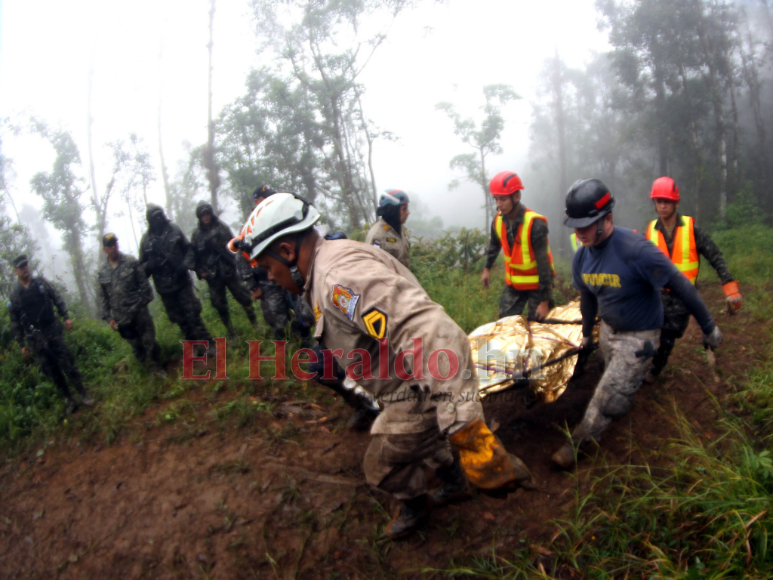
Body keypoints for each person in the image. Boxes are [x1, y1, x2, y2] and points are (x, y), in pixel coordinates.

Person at [239, 192, 535, 539]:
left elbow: (431, 331)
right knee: (425, 441)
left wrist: (466, 430)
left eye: (267, 268)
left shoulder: (338, 279)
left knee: (378, 466)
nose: (270, 278)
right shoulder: (329, 264)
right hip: (411, 382)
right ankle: (453, 480)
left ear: (287, 251)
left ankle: (416, 504)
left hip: (416, 391)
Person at [552, 179, 723, 469]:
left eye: (586, 224)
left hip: (639, 338)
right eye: (575, 225)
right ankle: (622, 392)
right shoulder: (582, 257)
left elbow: (681, 285)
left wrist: (708, 326)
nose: (579, 232)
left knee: (608, 398)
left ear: (607, 218)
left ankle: (576, 445)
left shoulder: (636, 250)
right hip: (608, 330)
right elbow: (589, 299)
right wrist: (586, 335)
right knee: (612, 378)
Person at [644, 176, 742, 382]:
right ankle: (643, 365)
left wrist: (730, 287)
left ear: (676, 202)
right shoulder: (651, 230)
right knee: (649, 333)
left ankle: (655, 369)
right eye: (658, 201)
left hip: (683, 297)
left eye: (667, 201)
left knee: (669, 335)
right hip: (656, 295)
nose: (662, 205)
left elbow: (715, 256)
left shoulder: (691, 229)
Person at [8, 255, 94, 415]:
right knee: (51, 369)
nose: (25, 268)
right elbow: (15, 322)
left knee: (67, 361)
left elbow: (57, 298)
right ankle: (69, 400)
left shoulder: (41, 283)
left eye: (26, 265)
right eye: (21, 267)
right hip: (35, 338)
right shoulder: (15, 295)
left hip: (52, 329)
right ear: (15, 271)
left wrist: (66, 316)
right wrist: (22, 344)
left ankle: (83, 394)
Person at [235, 184, 312, 345]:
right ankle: (282, 355)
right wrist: (253, 286)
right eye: (266, 198)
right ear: (257, 202)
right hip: (267, 283)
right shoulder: (250, 227)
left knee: (303, 313)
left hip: (290, 275)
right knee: (278, 321)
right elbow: (241, 258)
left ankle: (307, 348)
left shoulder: (280, 219)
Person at [481, 171, 555, 321]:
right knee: (506, 324)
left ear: (516, 197)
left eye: (502, 199)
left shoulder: (535, 225)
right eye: (496, 199)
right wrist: (487, 269)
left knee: (540, 328)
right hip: (514, 285)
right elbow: (495, 245)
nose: (498, 204)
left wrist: (544, 301)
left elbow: (544, 265)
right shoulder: (498, 220)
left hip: (538, 287)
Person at [139, 204, 213, 348]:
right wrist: (149, 265)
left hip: (182, 282)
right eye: (155, 217)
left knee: (193, 315)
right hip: (165, 288)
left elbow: (189, 250)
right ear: (150, 220)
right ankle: (195, 347)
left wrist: (185, 265)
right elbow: (140, 268)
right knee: (180, 319)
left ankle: (208, 344)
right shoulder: (146, 240)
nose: (158, 219)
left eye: (160, 215)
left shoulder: (174, 230)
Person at [191, 200, 258, 338]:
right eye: (203, 215)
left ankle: (255, 323)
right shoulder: (197, 235)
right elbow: (193, 257)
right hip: (212, 275)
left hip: (229, 270)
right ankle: (231, 332)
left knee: (244, 297)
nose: (206, 217)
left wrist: (236, 262)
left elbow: (233, 245)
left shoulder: (221, 227)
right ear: (199, 217)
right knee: (219, 304)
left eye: (207, 214)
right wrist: (200, 272)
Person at [97, 233, 161, 366]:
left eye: (114, 243)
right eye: (109, 245)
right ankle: (145, 367)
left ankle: (156, 366)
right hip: (121, 316)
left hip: (139, 310)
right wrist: (109, 318)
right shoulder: (103, 271)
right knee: (135, 344)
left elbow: (144, 283)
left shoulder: (130, 261)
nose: (113, 247)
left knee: (149, 339)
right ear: (105, 249)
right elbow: (103, 297)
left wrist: (143, 302)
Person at [364, 190, 411, 269]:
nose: (408, 212)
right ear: (393, 210)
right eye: (404, 209)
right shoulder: (377, 235)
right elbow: (372, 268)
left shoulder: (401, 230)